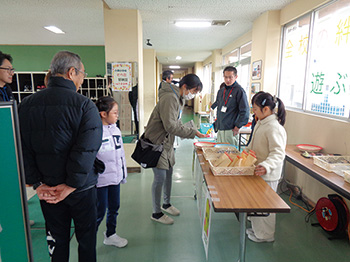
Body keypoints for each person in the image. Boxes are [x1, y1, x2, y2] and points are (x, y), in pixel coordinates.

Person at [18, 51, 102, 262]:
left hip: (48, 190)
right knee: (86, 240)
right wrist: (71, 185)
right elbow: (87, 150)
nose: (82, 79)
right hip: (82, 189)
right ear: (71, 72)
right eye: (82, 73)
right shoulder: (85, 106)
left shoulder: (25, 106)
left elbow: (21, 149)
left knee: (56, 240)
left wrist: (37, 184)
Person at [145, 73, 206, 225]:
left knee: (169, 171)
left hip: (167, 142)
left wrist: (192, 129)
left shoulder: (179, 98)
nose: (193, 95)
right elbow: (170, 126)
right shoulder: (170, 98)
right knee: (160, 178)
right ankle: (156, 212)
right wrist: (193, 133)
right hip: (157, 143)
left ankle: (166, 204)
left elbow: (176, 122)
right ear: (184, 87)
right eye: (193, 91)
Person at [246, 91, 287, 243]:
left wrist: (266, 166)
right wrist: (244, 153)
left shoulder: (274, 128)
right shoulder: (261, 123)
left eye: (255, 109)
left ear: (266, 109)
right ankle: (258, 230)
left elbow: (278, 153)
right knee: (257, 203)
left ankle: (265, 235)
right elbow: (252, 144)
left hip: (268, 173)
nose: (253, 112)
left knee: (265, 205)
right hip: (258, 171)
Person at [95, 96, 128, 248]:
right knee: (99, 213)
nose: (117, 115)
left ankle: (110, 234)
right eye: (114, 112)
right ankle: (88, 239)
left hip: (115, 178)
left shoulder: (116, 129)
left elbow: (120, 154)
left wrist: (123, 174)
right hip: (100, 180)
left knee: (114, 208)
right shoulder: (94, 131)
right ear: (103, 114)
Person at [211, 66, 249, 146]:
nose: (228, 80)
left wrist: (237, 127)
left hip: (231, 129)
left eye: (230, 77)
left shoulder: (239, 91)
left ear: (236, 77)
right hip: (220, 128)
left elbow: (245, 111)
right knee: (220, 153)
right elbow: (218, 105)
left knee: (230, 154)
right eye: (225, 77)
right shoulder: (221, 91)